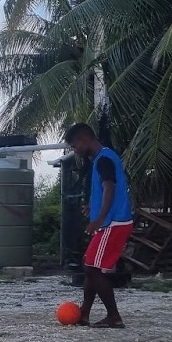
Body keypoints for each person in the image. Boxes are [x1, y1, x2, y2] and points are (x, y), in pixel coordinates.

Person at [65, 123, 133, 328]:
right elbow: (105, 191)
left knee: (93, 269)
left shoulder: (103, 159)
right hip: (110, 221)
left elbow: (109, 189)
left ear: (83, 140)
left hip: (113, 222)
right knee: (90, 266)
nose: (75, 150)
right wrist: (92, 209)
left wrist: (98, 219)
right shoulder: (103, 158)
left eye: (74, 146)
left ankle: (114, 316)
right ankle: (84, 314)